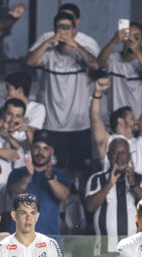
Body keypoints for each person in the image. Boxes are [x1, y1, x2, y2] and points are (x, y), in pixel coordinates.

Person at [26, 11, 100, 185]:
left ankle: (85, 213)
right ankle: (61, 213)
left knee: (83, 175)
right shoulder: (49, 53)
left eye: (67, 27)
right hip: (53, 126)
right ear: (54, 29)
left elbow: (96, 64)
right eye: (60, 27)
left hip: (79, 126)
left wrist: (75, 44)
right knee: (57, 174)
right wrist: (48, 41)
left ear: (74, 30)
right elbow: (30, 61)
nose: (64, 31)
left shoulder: (82, 50)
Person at [85, 138, 142, 253]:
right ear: (108, 155)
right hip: (104, 251)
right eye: (115, 153)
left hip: (135, 252)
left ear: (129, 156)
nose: (119, 157)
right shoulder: (96, 179)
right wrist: (109, 184)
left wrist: (134, 185)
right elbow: (90, 207)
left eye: (123, 153)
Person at [90, 78, 142, 180]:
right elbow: (94, 117)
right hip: (113, 193)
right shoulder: (107, 141)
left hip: (140, 193)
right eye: (131, 118)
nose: (136, 121)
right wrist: (97, 92)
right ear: (120, 121)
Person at [6, 130, 71, 236]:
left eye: (45, 148)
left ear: (52, 151)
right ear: (31, 149)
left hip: (49, 238)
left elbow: (63, 196)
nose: (40, 152)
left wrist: (50, 179)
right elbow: (13, 194)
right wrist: (28, 176)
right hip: (21, 238)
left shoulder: (59, 175)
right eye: (37, 147)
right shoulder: (18, 173)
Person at [97, 21, 142, 118]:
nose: (131, 40)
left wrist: (137, 51)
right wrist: (114, 41)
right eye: (128, 36)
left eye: (136, 38)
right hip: (116, 121)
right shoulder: (113, 59)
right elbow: (100, 62)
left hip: (138, 119)